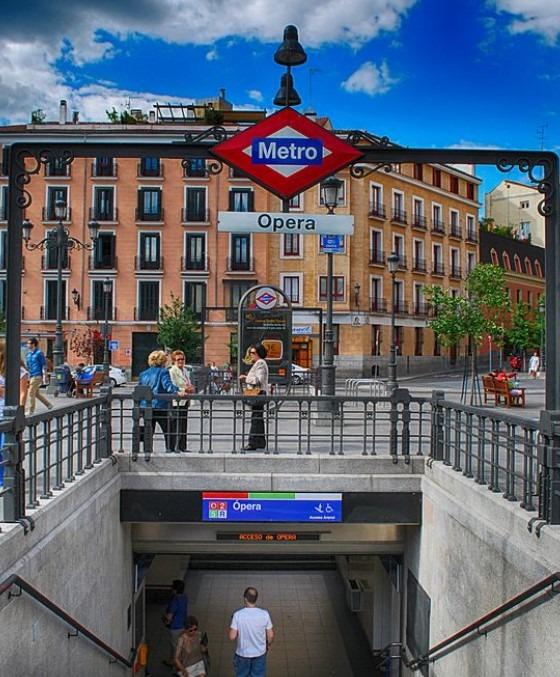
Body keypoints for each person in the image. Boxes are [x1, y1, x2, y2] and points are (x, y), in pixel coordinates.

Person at [138, 351, 186, 452]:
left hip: (146, 407)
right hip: (161, 406)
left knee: (148, 432)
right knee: (169, 431)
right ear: (162, 360)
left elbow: (140, 390)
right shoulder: (163, 372)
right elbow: (167, 386)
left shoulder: (143, 374)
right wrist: (178, 391)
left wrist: (138, 407)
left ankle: (147, 453)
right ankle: (169, 451)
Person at [229, 586, 274, 677]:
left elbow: (232, 636)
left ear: (245, 598)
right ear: (256, 599)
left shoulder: (237, 615)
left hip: (243, 654)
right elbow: (271, 635)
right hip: (260, 653)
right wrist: (268, 644)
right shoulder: (264, 614)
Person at [239, 344, 269, 451]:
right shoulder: (259, 363)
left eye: (253, 353)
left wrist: (246, 378)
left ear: (259, 353)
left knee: (255, 418)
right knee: (258, 418)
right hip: (259, 393)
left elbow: (259, 380)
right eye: (250, 352)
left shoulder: (260, 363)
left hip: (258, 393)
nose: (251, 354)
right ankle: (260, 442)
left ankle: (252, 443)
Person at [168, 350, 195, 452]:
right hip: (177, 401)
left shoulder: (185, 370)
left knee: (183, 424)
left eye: (182, 359)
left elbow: (187, 382)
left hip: (185, 400)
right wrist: (184, 389)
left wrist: (190, 387)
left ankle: (183, 446)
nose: (181, 361)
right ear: (174, 360)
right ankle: (176, 447)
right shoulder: (172, 371)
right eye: (178, 359)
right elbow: (173, 386)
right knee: (177, 425)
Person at [163, 579, 189, 669]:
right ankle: (171, 661)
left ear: (175, 590)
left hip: (175, 628)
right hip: (183, 625)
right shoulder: (184, 597)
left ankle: (178, 666)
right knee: (177, 645)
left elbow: (169, 617)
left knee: (176, 647)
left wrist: (165, 619)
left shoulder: (175, 601)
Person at [25, 337, 52, 414]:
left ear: (33, 344)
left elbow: (44, 365)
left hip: (37, 375)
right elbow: (28, 366)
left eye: (29, 343)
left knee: (30, 392)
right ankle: (48, 405)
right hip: (31, 375)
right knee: (36, 394)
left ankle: (31, 410)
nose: (27, 345)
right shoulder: (28, 354)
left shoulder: (39, 353)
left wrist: (45, 375)